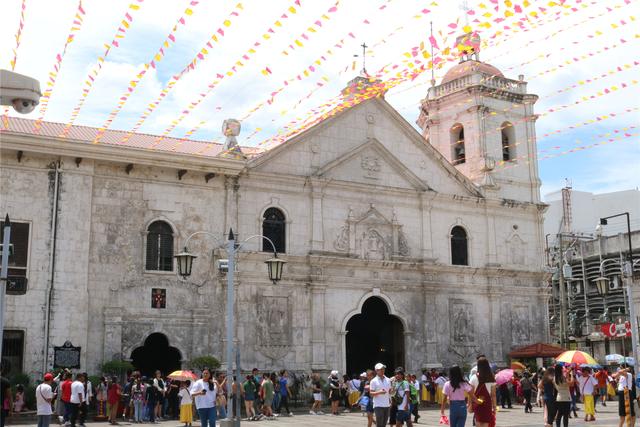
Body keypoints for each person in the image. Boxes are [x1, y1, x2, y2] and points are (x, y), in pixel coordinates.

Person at [469, 357, 496, 427]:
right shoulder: (491, 377)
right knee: (485, 423)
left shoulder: (474, 377)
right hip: (487, 403)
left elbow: (470, 392)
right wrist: (494, 407)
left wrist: (473, 402)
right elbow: (493, 395)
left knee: (478, 422)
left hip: (477, 403)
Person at [369, 362, 392, 427]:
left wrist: (391, 399)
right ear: (376, 371)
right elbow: (371, 394)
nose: (382, 370)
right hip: (378, 405)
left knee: (384, 424)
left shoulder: (388, 380)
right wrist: (379, 392)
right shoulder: (373, 381)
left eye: (383, 369)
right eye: (380, 369)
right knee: (379, 423)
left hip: (386, 404)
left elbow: (389, 392)